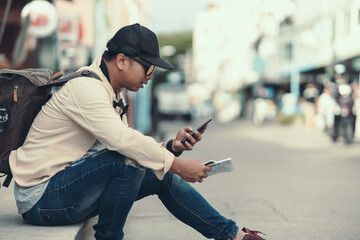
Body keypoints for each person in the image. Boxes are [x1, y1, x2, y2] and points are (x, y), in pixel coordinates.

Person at [9, 23, 265, 240]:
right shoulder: (87, 89)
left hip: (63, 188)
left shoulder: (109, 92)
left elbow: (120, 145)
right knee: (130, 160)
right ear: (122, 60)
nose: (150, 77)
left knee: (157, 173)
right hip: (41, 198)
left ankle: (231, 235)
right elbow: (123, 143)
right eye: (148, 68)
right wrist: (177, 164)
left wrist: (171, 148)